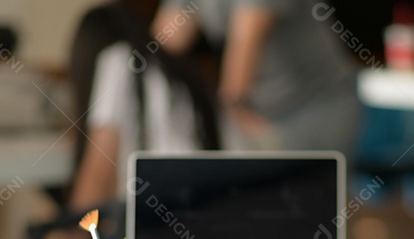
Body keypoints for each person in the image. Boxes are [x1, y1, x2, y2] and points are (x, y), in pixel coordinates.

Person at [40, 1, 220, 239]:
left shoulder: (119, 61)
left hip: (152, 238)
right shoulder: (175, 68)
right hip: (201, 224)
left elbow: (98, 176)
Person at [152, 0, 361, 154]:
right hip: (264, 108)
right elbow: (163, 46)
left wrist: (228, 112)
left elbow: (245, 43)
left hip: (314, 105)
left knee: (303, 204)